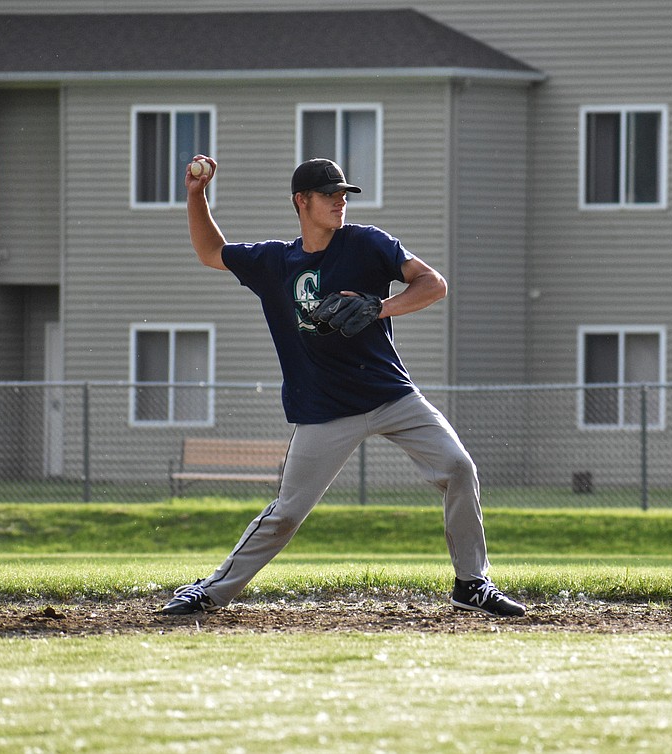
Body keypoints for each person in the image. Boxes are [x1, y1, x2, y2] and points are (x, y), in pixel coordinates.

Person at [161, 156, 525, 618]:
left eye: (343, 195)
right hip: (323, 409)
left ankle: (472, 584)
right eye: (329, 195)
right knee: (287, 513)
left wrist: (379, 308)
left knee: (458, 467)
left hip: (390, 394)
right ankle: (211, 590)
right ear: (301, 201)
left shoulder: (367, 244)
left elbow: (434, 284)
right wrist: (196, 195)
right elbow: (210, 252)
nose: (339, 202)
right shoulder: (275, 262)